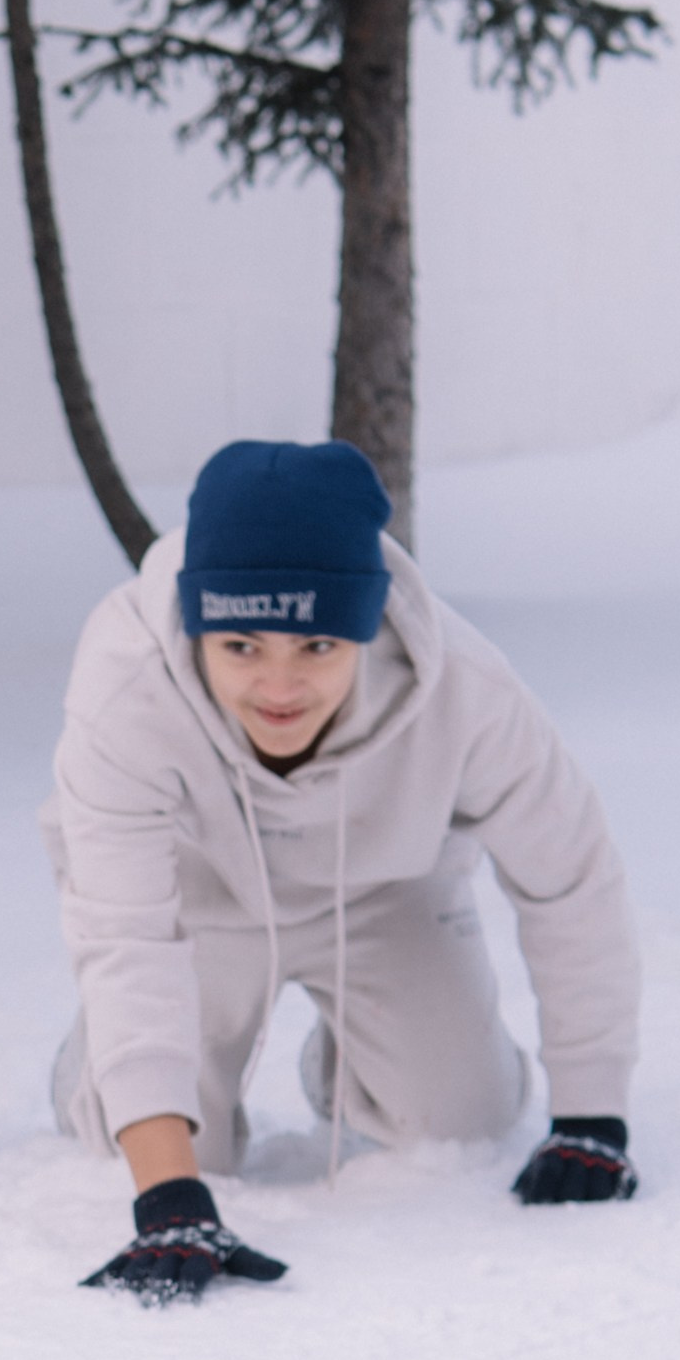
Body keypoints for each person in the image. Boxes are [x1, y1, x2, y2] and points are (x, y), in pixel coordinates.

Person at [46, 439, 643, 1302]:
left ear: (364, 627)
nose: (277, 686)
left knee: (463, 1118)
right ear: (198, 623)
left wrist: (592, 1113)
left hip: (383, 888)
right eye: (241, 645)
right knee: (176, 1144)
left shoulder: (462, 686)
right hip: (198, 897)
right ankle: (93, 1067)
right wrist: (168, 1195)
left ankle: (356, 1055)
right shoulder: (123, 684)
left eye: (317, 645)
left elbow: (571, 874)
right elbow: (126, 929)